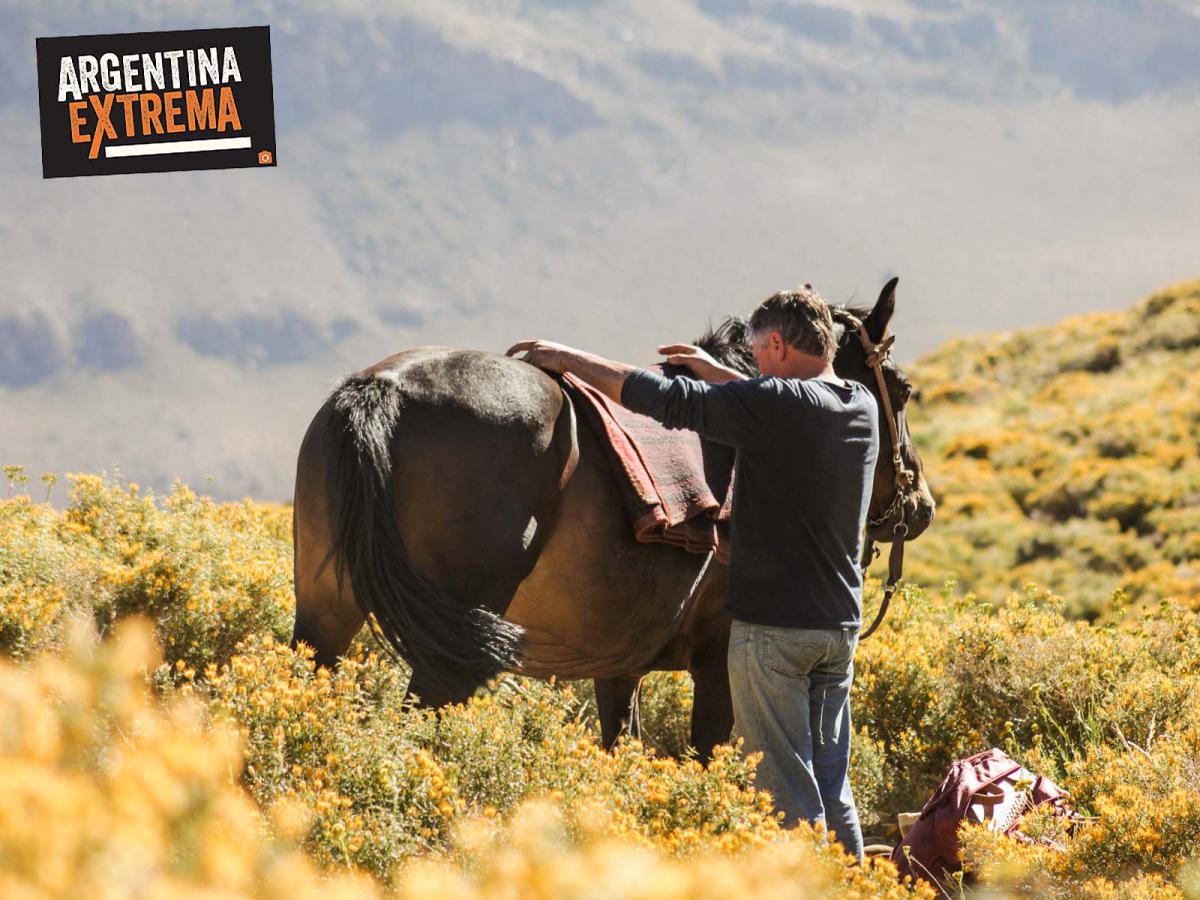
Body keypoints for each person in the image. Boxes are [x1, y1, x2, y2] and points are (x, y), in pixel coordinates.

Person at [505, 285, 880, 861]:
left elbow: (664, 398)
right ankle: (854, 883)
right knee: (832, 782)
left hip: (775, 632)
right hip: (837, 629)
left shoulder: (774, 406)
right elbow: (775, 396)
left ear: (776, 344)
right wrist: (716, 370)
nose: (754, 366)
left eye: (759, 354)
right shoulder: (858, 403)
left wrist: (568, 358)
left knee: (784, 786)